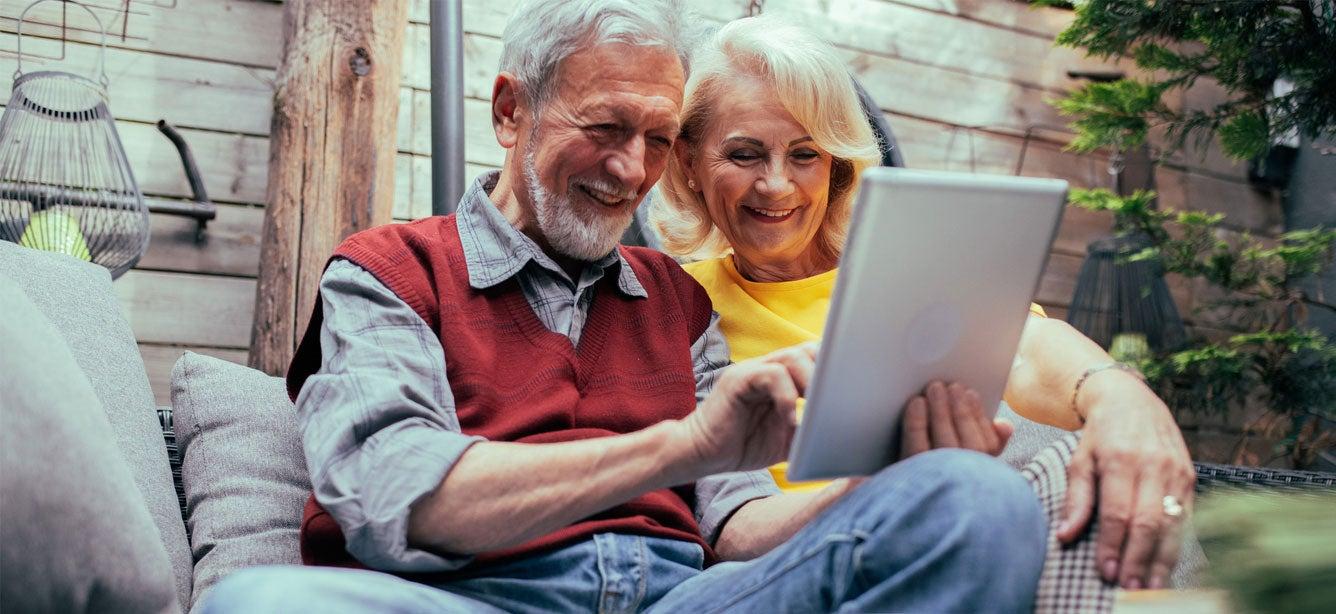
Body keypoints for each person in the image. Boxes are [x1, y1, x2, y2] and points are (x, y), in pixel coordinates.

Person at [202, 1, 1049, 612]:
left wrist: (885, 483)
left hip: (691, 603)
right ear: (510, 110)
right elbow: (399, 501)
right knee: (265, 601)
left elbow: (737, 521)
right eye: (605, 127)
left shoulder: (680, 303)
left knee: (976, 498)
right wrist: (681, 446)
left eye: (656, 138)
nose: (630, 169)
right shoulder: (388, 270)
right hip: (478, 601)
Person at [649, 15, 1196, 593]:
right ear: (688, 161)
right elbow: (732, 530)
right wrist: (891, 488)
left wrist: (1122, 396)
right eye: (744, 155)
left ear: (835, 160)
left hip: (986, 534)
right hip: (827, 570)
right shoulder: (675, 306)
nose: (776, 185)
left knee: (1096, 459)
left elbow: (1025, 351)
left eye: (805, 154)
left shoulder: (905, 272)